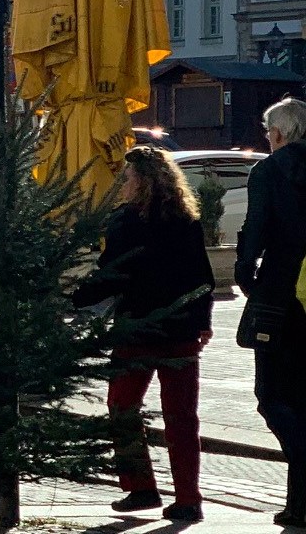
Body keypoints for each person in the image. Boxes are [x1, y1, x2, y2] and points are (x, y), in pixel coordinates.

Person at [74, 147, 215, 522]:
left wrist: (72, 297)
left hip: (136, 329)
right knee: (182, 416)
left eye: (126, 178)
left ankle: (140, 488)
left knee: (122, 408)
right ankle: (188, 498)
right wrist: (203, 321)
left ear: (140, 182)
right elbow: (203, 276)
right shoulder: (187, 220)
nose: (122, 184)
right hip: (181, 328)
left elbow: (114, 274)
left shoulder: (125, 222)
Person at [242, 98, 306, 527]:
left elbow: (253, 238)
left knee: (273, 397)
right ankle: (299, 504)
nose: (267, 138)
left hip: (282, 299)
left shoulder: (268, 172)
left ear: (280, 133)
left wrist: (249, 281)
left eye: (268, 132)